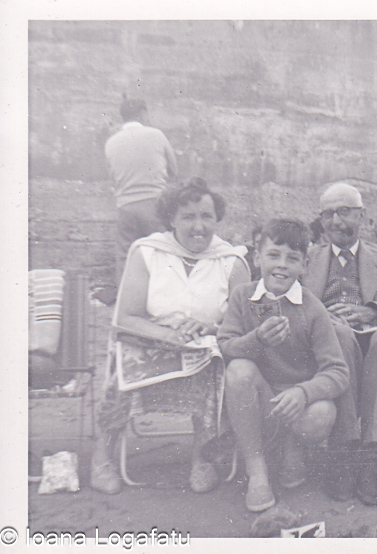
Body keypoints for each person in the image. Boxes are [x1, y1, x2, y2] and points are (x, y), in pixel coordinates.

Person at [90, 178, 250, 495]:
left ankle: (201, 459)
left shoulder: (232, 261)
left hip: (206, 351)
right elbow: (126, 318)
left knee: (215, 370)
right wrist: (168, 335)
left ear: (217, 219)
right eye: (188, 217)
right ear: (172, 219)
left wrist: (213, 329)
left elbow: (243, 323)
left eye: (206, 216)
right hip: (150, 341)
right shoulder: (148, 252)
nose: (198, 226)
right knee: (120, 374)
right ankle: (102, 459)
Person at [218, 219, 356, 512]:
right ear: (257, 258)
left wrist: (304, 392)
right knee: (239, 371)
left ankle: (294, 449)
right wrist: (256, 339)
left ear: (304, 266)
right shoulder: (243, 296)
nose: (282, 265)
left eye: (292, 259)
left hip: (297, 407)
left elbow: (338, 371)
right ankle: (258, 472)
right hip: (260, 403)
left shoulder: (312, 307)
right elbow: (226, 346)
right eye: (273, 255)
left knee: (322, 411)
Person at [303, 182, 377, 504]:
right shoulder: (308, 259)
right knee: (338, 334)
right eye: (328, 214)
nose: (336, 221)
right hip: (328, 350)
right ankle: (343, 450)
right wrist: (322, 321)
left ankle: (375, 454)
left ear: (363, 217)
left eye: (344, 212)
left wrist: (371, 311)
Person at [105, 98, 178, 285]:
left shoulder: (111, 143)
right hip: (154, 204)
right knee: (161, 253)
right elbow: (174, 170)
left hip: (125, 207)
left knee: (126, 257)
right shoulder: (156, 135)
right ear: (142, 114)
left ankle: (125, 304)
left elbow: (112, 177)